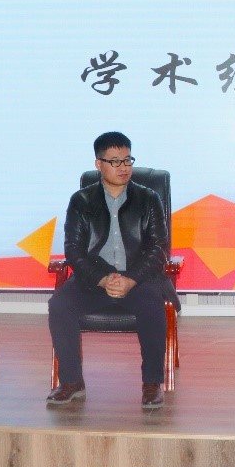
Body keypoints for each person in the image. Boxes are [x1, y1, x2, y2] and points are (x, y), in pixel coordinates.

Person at [47, 131, 178, 410]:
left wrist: (131, 279)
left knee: (152, 304)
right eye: (115, 161)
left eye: (127, 160)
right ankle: (71, 382)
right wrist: (103, 278)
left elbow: (159, 249)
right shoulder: (81, 201)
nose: (123, 167)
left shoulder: (149, 199)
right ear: (99, 164)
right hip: (95, 279)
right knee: (59, 305)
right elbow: (73, 251)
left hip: (139, 278)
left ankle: (152, 383)